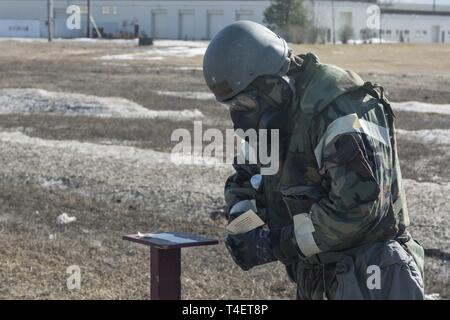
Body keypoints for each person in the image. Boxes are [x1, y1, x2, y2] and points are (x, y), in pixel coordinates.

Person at [202, 21, 425, 300]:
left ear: (271, 85)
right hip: (317, 274)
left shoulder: (337, 107)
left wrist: (275, 244)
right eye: (231, 107)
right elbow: (244, 180)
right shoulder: (273, 114)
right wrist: (242, 227)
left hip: (371, 273)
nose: (238, 117)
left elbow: (359, 209)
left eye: (243, 104)